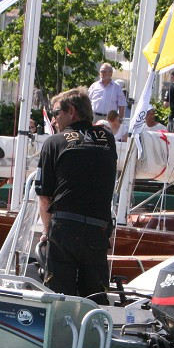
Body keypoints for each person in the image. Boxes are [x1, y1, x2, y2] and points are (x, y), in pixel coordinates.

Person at [35, 86, 117, 304]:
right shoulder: (107, 140)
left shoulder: (54, 142)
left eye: (55, 113)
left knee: (59, 297)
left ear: (71, 111)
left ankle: (61, 336)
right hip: (97, 231)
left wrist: (46, 232)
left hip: (65, 229)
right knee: (95, 298)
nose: (53, 121)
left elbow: (45, 197)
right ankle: (96, 334)